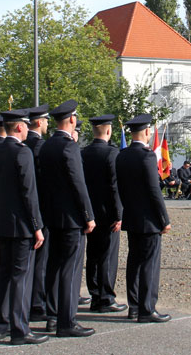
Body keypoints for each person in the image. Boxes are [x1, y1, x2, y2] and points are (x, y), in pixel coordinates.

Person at [0, 108, 48, 345]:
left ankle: (0, 324)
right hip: (21, 225)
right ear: (21, 127)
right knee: (20, 278)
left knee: (4, 274)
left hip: (3, 222)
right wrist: (37, 226)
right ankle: (20, 329)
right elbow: (29, 193)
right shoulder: (22, 153)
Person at [38, 99, 96, 337]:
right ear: (72, 119)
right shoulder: (69, 146)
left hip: (52, 215)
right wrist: (88, 215)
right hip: (71, 217)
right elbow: (78, 183)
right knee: (70, 270)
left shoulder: (47, 145)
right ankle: (67, 321)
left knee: (54, 266)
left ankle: (52, 316)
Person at [116, 113, 171, 323]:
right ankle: (147, 308)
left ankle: (135, 307)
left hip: (131, 216)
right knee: (149, 264)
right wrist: (164, 219)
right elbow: (153, 191)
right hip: (149, 220)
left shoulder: (122, 156)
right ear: (147, 132)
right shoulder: (147, 157)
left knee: (134, 262)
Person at [81, 115, 126, 314]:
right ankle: (106, 297)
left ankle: (94, 294)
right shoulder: (112, 153)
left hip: (90, 212)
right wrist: (119, 213)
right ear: (108, 131)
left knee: (92, 254)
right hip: (108, 213)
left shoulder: (83, 153)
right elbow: (114, 187)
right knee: (107, 256)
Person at [23, 104, 50, 322]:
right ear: (39, 122)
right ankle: (37, 303)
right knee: (41, 260)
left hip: (23, 210)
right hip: (40, 209)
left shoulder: (22, 144)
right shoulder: (40, 146)